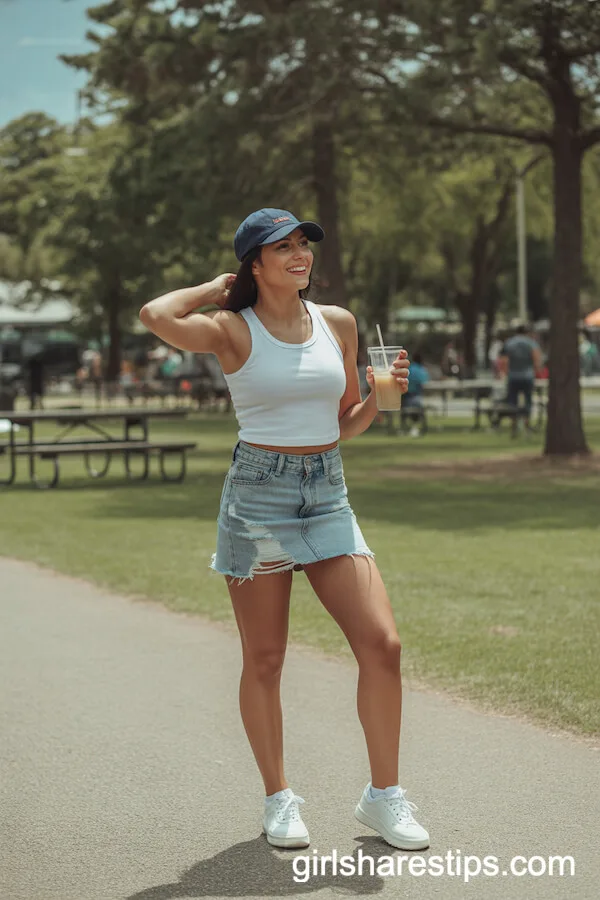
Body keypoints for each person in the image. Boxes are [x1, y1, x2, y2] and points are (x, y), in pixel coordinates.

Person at [138, 208, 429, 853]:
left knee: (382, 645)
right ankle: (278, 797)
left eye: (304, 244)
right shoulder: (230, 329)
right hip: (257, 499)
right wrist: (216, 287)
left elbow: (343, 423)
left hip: (327, 494)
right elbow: (156, 315)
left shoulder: (338, 323)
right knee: (266, 659)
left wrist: (380, 399)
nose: (301, 255)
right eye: (284, 248)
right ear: (255, 263)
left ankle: (384, 797)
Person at [499, 324, 542, 428]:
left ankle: (513, 423)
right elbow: (536, 358)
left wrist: (505, 373)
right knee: (528, 400)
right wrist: (537, 372)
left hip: (513, 376)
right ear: (527, 332)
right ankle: (527, 422)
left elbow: (504, 360)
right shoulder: (531, 343)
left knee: (512, 401)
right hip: (528, 376)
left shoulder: (509, 343)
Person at [401, 352, 429, 437]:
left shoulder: (409, 369)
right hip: (415, 397)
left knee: (409, 409)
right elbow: (425, 383)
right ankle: (418, 427)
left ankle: (405, 427)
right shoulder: (421, 370)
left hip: (405, 397)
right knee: (418, 407)